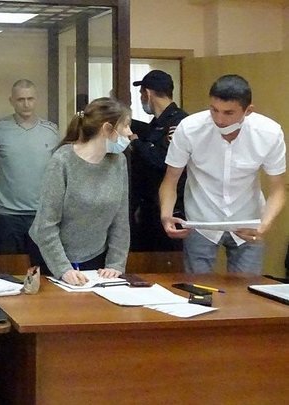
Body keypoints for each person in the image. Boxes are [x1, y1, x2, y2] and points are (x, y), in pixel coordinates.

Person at [160, 74, 286, 274]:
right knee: (198, 288)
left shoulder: (269, 133)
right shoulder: (190, 128)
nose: (219, 119)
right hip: (201, 219)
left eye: (228, 113)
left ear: (248, 110)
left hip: (247, 220)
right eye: (214, 110)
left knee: (246, 289)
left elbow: (278, 189)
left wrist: (265, 225)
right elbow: (170, 180)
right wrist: (166, 214)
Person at [29, 97, 131, 285]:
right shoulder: (62, 160)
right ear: (107, 129)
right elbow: (46, 225)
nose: (130, 133)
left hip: (96, 256)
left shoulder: (119, 162)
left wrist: (115, 264)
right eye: (125, 126)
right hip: (52, 256)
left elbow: (121, 220)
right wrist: (63, 269)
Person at [0, 79, 59, 258]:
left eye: (30, 99)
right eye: (21, 99)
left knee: (41, 269)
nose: (26, 104)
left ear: (36, 99)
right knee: (6, 268)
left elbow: (60, 169)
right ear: (12, 101)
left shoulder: (51, 131)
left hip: (41, 215)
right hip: (6, 215)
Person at [130, 70, 189, 251]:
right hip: (149, 207)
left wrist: (136, 143)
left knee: (168, 259)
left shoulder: (179, 122)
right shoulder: (155, 124)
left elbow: (163, 160)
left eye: (141, 94)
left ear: (147, 93)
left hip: (170, 208)